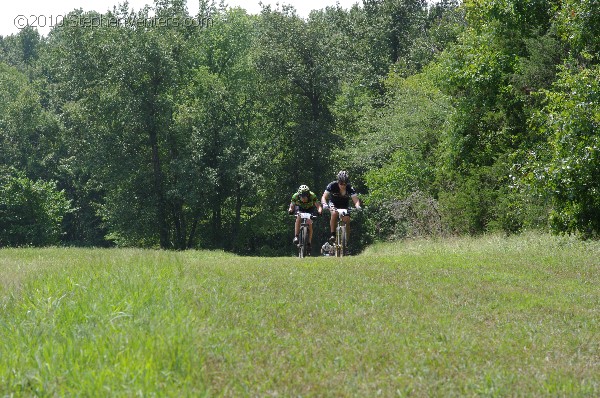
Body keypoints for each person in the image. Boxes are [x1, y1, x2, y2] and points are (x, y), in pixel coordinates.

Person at [321, 170, 361, 244]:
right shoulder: (332, 185)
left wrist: (358, 206)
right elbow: (324, 197)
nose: (343, 186)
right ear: (338, 181)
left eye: (345, 184)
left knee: (347, 219)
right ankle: (333, 234)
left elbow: (355, 200)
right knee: (334, 213)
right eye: (341, 183)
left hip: (344, 205)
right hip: (333, 203)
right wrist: (324, 204)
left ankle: (346, 241)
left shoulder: (350, 188)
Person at [288, 184, 323, 253]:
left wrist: (319, 211)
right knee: (298, 217)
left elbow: (318, 206)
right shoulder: (295, 196)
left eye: (305, 197)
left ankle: (309, 243)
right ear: (299, 195)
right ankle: (296, 236)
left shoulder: (312, 195)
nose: (303, 199)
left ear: (308, 195)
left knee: (309, 223)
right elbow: (291, 206)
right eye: (302, 197)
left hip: (310, 209)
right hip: (300, 208)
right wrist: (290, 210)